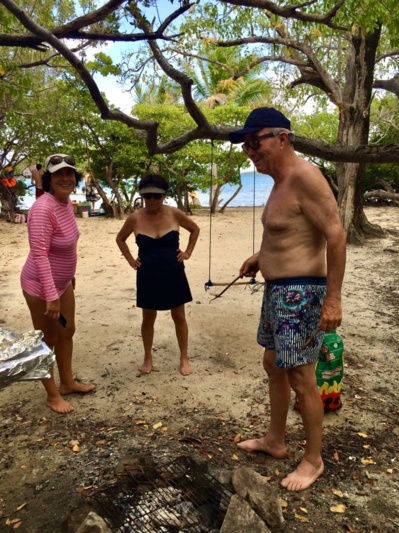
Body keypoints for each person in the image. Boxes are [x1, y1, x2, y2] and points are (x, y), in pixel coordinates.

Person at [229, 107, 346, 491]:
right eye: (245, 145)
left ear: (282, 137)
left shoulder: (304, 176)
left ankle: (313, 461)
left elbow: (335, 234)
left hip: (302, 293)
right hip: (276, 290)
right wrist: (259, 258)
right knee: (272, 365)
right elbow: (289, 231)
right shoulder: (278, 183)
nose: (249, 151)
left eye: (254, 141)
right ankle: (275, 441)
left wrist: (333, 300)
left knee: (300, 376)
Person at [20, 153, 95, 414]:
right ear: (49, 179)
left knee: (67, 331)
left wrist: (68, 275)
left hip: (62, 283)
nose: (65, 178)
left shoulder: (64, 203)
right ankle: (52, 395)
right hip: (40, 286)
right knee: (47, 339)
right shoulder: (42, 208)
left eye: (69, 173)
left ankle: (67, 383)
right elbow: (39, 254)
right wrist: (51, 295)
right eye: (58, 174)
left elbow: (63, 247)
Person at [116, 174, 200, 376]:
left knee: (179, 316)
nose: (152, 200)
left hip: (173, 271)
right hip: (148, 273)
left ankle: (184, 357)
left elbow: (195, 229)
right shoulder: (135, 217)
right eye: (148, 196)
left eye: (157, 196)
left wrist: (187, 252)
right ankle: (147, 356)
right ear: (143, 197)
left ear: (164, 195)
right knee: (148, 318)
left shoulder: (175, 214)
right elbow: (120, 239)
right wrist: (129, 259)